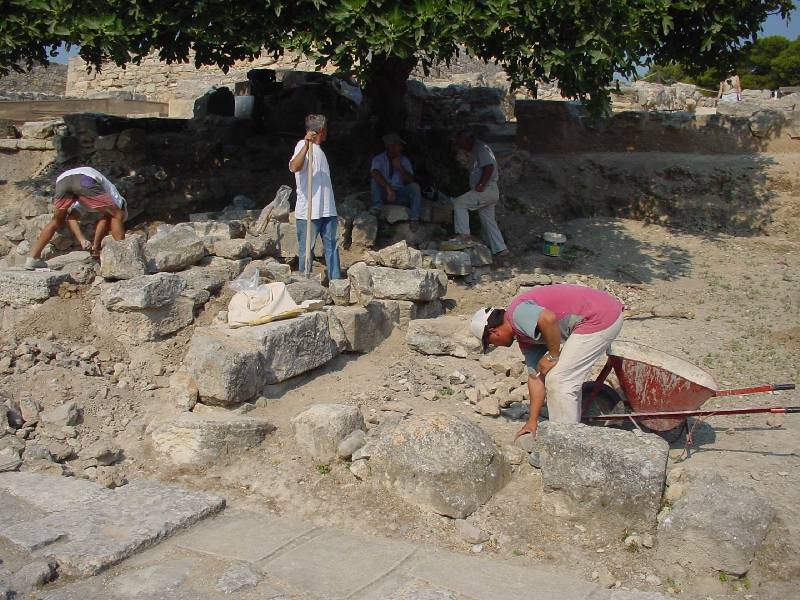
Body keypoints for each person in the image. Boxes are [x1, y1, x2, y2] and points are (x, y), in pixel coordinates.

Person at [470, 284, 624, 438]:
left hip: (600, 316)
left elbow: (548, 318)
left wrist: (552, 355)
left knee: (560, 380)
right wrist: (532, 421)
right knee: (558, 378)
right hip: (599, 313)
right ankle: (571, 429)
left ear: (494, 332)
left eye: (491, 343)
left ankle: (565, 440)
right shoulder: (524, 336)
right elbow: (535, 377)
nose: (496, 346)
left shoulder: (516, 314)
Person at [27, 166, 127, 269]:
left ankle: (33, 258)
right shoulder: (117, 200)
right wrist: (96, 246)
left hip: (63, 181)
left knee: (56, 220)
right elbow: (109, 218)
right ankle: (123, 256)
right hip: (84, 179)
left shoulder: (85, 199)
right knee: (117, 214)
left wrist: (82, 240)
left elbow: (71, 218)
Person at [289, 113, 341, 280]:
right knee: (306, 250)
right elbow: (294, 167)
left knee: (332, 247)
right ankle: (305, 283)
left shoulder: (320, 151)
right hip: (308, 211)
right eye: (326, 129)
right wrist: (306, 144)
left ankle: (336, 282)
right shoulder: (303, 146)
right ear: (322, 130)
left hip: (328, 209)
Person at [451, 130, 509, 257]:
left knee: (460, 203)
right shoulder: (476, 150)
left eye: (461, 142)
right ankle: (501, 249)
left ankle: (463, 237)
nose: (460, 145)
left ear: (468, 139)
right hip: (490, 190)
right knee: (488, 220)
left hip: (486, 189)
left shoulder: (480, 148)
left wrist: (481, 184)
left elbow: (489, 167)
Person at [369, 132, 422, 221]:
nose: (401, 148)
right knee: (374, 181)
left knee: (415, 187)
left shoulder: (404, 161)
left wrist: (400, 168)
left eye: (400, 146)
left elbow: (409, 181)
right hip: (385, 194)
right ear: (390, 146)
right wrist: (388, 187)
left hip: (399, 196)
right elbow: (375, 173)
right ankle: (376, 208)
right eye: (398, 145)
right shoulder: (378, 159)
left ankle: (414, 217)